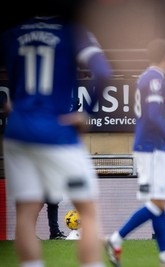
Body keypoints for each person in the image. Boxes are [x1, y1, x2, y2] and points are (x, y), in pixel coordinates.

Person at [0, 1, 112, 267]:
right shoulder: (73, 31)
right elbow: (103, 72)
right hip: (56, 132)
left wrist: (6, 104)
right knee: (88, 211)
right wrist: (87, 114)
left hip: (17, 132)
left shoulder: (12, 31)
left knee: (26, 214)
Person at [105, 39, 165, 267]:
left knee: (159, 202)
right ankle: (116, 238)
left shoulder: (149, 78)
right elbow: (154, 115)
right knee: (156, 203)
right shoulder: (154, 78)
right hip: (151, 148)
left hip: (150, 147)